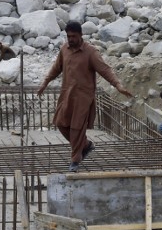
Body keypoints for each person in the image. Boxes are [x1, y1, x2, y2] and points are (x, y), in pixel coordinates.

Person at [37, 21, 133, 172]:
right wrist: (45, 83)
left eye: (73, 36)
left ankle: (75, 159)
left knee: (76, 128)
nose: (71, 39)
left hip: (83, 98)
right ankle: (86, 145)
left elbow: (105, 70)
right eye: (68, 36)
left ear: (81, 35)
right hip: (67, 95)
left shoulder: (91, 52)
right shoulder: (64, 49)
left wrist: (118, 85)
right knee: (61, 123)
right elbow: (56, 68)